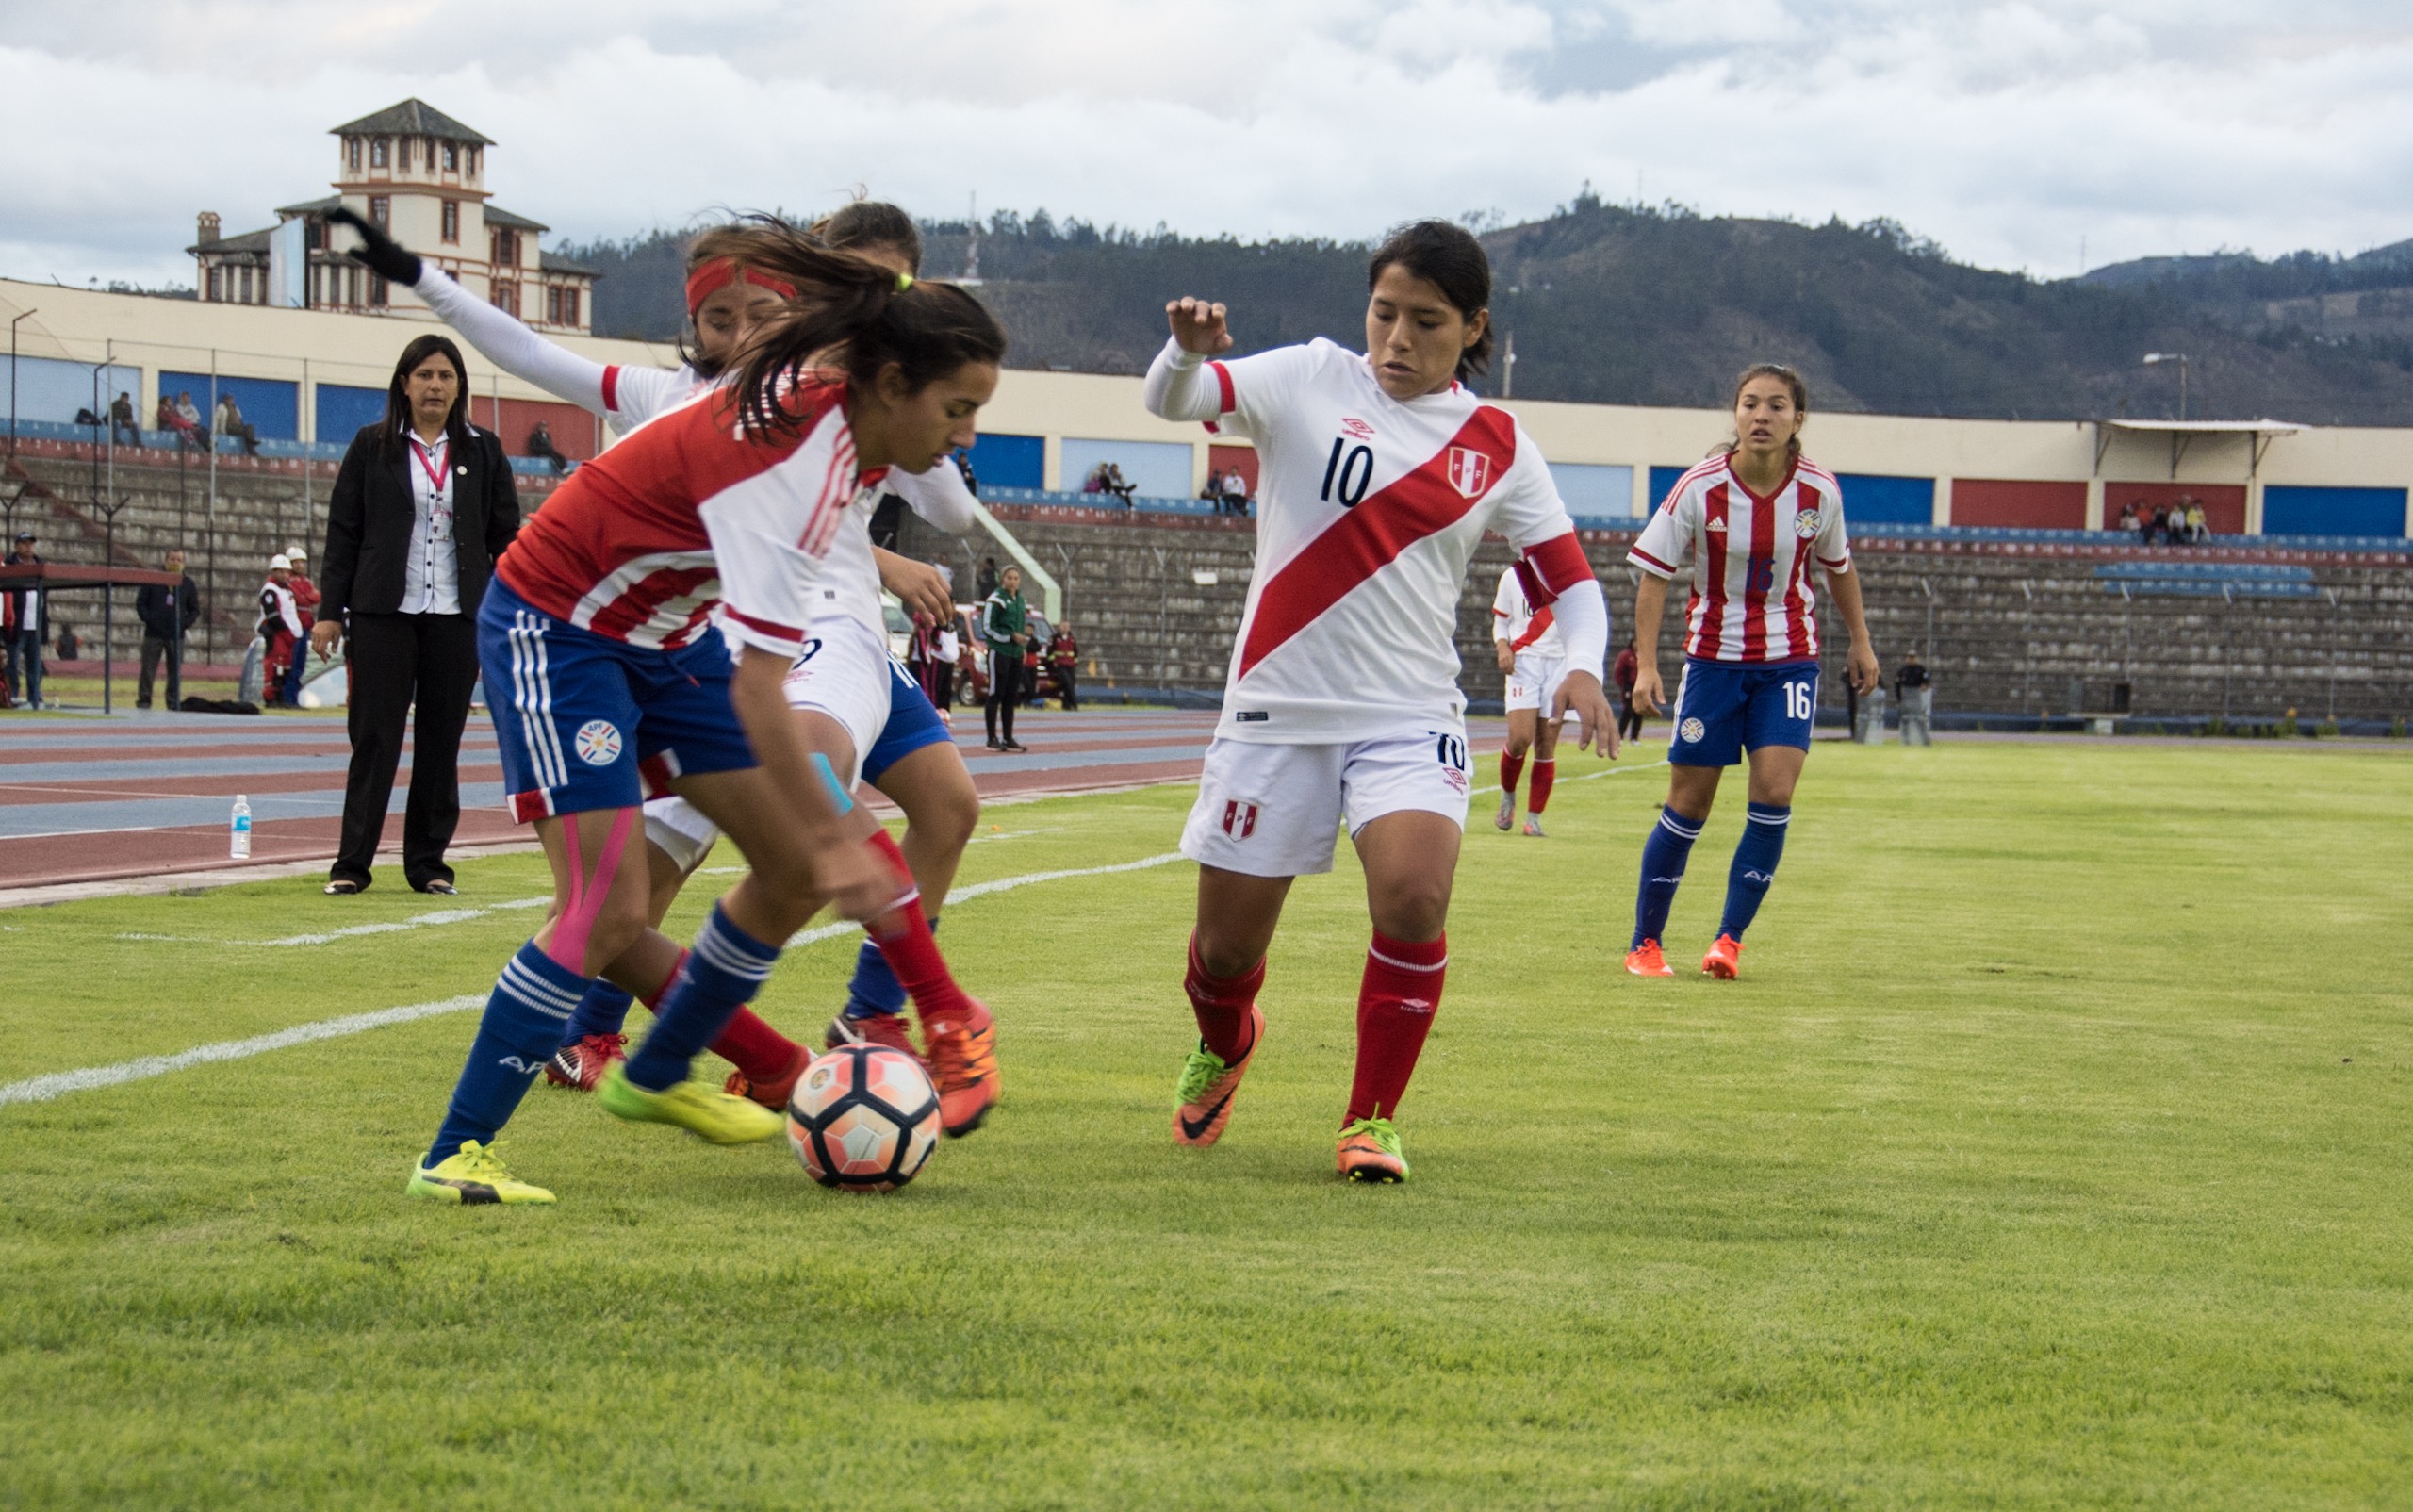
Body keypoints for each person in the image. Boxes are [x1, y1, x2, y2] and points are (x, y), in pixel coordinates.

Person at [340, 204, 1000, 1122]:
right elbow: (534, 357)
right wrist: (424, 280)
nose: (738, 334)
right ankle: (559, 1082)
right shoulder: (723, 416)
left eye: (759, 314)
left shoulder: (831, 403)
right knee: (651, 883)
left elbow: (923, 501)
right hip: (668, 635)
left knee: (868, 822)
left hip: (708, 636)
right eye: (717, 318)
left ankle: (757, 1048)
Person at [1143, 220, 1616, 1183]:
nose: (1397, 338)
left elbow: (1571, 582)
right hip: (1275, 710)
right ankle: (1227, 1039)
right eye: (1384, 313)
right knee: (1224, 955)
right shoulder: (1309, 377)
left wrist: (1584, 662)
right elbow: (1176, 399)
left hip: (1407, 714)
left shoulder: (1497, 443)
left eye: (1426, 322)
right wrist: (1184, 353)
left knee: (1413, 895)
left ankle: (1371, 1118)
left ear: (1472, 326)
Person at [1622, 363, 1880, 982]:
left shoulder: (1818, 492)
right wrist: (1648, 665)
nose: (1762, 416)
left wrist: (1861, 643)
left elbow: (1838, 566)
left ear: (1798, 420)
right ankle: (1645, 944)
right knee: (1689, 805)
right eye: (1750, 404)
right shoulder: (1700, 487)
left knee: (1775, 793)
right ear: (1735, 415)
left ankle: (1728, 941)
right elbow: (1654, 575)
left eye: (1776, 406)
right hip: (1712, 663)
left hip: (1789, 660)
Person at [314, 335, 521, 895]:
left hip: (457, 616)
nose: (435, 385)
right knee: (375, 739)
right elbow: (344, 532)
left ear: (460, 387)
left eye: (446, 376)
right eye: (424, 375)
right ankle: (351, 866)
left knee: (440, 741)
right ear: (404, 383)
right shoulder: (371, 446)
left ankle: (428, 865)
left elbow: (506, 537)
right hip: (384, 611)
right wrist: (330, 612)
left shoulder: (483, 451)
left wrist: (513, 608)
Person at [1490, 558, 1587, 837]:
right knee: (1520, 738)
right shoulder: (1512, 576)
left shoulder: (1572, 576)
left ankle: (1533, 819)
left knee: (1546, 746)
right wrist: (1502, 648)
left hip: (1559, 664)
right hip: (1524, 662)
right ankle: (1508, 796)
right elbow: (1501, 621)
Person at [136, 548, 200, 710]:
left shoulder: (188, 584)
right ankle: (144, 700)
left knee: (174, 672)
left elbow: (194, 609)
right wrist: (149, 619)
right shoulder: (153, 580)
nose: (175, 563)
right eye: (172, 559)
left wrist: (184, 624)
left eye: (179, 560)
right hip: (153, 634)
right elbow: (141, 603)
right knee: (148, 669)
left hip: (176, 636)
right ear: (166, 560)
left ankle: (172, 701)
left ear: (184, 563)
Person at [981, 564, 1030, 749]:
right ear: (1002, 579)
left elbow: (1020, 625)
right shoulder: (995, 599)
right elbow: (987, 628)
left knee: (1011, 696)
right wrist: (1009, 636)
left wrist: (1021, 647)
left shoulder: (1020, 600)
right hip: (999, 652)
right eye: (1009, 577)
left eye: (1016, 578)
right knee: (996, 694)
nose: (1012, 581)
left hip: (1015, 653)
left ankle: (1008, 738)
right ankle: (991, 738)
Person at [5, 529, 45, 709]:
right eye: (24, 544)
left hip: (34, 623)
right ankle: (12, 694)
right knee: (11, 662)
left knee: (34, 664)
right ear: (17, 546)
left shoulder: (40, 566)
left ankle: (34, 696)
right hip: (16, 624)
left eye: (31, 544)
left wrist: (44, 625)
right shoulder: (9, 566)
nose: (28, 547)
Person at [258, 554, 305, 704]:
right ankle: (271, 696)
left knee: (286, 666)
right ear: (274, 572)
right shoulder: (270, 591)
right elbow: (273, 616)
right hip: (278, 633)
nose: (285, 575)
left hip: (289, 634)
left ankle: (281, 696)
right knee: (274, 664)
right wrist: (286, 633)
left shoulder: (287, 590)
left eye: (287, 572)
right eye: (281, 572)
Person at [280, 545, 320, 705]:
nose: (300, 565)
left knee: (300, 664)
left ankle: (294, 698)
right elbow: (304, 598)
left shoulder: (306, 581)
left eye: (302, 562)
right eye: (296, 562)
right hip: (292, 627)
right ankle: (288, 698)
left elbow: (316, 597)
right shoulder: (288, 581)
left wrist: (306, 597)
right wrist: (306, 597)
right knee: (291, 662)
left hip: (304, 625)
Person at [1612, 637, 1644, 743]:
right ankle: (1620, 736)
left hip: (1640, 686)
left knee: (1639, 712)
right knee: (1627, 711)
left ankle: (1634, 737)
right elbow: (1619, 671)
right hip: (1629, 687)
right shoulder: (1626, 655)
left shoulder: (1643, 656)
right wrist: (1624, 687)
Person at [1047, 618, 1079, 710]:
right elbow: (1049, 653)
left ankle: (1067, 704)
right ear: (1059, 627)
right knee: (1067, 683)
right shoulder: (1054, 638)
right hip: (1060, 665)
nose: (1065, 628)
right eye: (1063, 626)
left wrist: (1074, 662)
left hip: (1070, 665)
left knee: (1070, 684)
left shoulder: (1072, 638)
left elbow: (1075, 652)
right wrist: (1054, 662)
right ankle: (1074, 704)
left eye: (1067, 626)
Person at [215, 392, 260, 457]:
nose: (230, 401)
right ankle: (251, 449)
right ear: (225, 400)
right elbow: (216, 419)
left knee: (250, 427)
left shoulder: (236, 408)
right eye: (228, 399)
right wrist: (214, 432)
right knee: (248, 431)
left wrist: (243, 427)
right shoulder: (221, 407)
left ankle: (250, 443)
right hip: (229, 427)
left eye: (231, 399)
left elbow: (240, 419)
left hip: (237, 427)